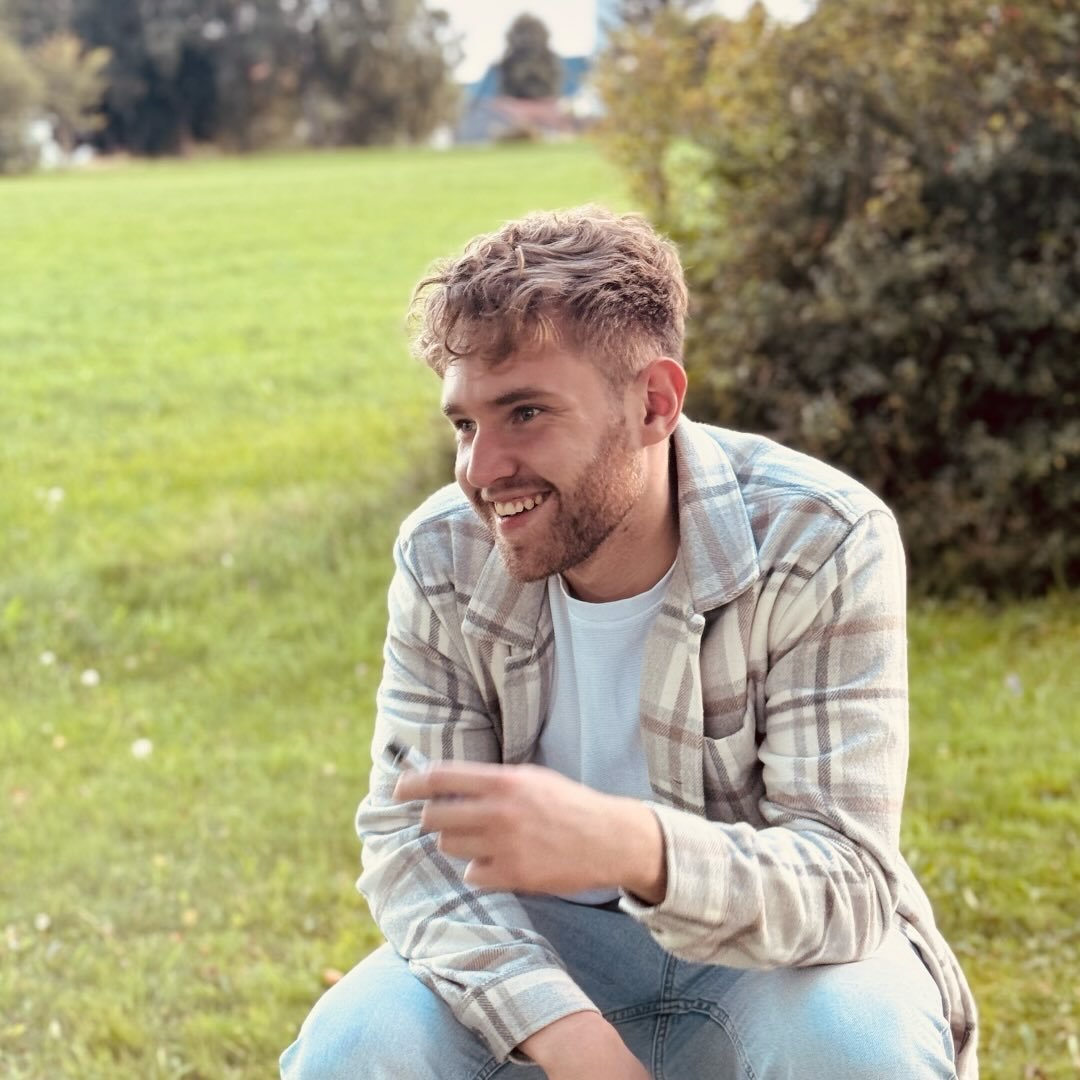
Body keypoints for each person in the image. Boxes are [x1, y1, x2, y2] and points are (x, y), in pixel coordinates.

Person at [281, 207, 978, 1080]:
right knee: (356, 1043)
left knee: (855, 1041)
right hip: (539, 942)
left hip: (770, 959)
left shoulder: (820, 537)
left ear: (654, 403)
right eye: (465, 425)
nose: (480, 470)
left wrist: (628, 844)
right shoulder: (443, 552)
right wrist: (572, 1041)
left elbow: (845, 884)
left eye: (525, 412)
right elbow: (417, 848)